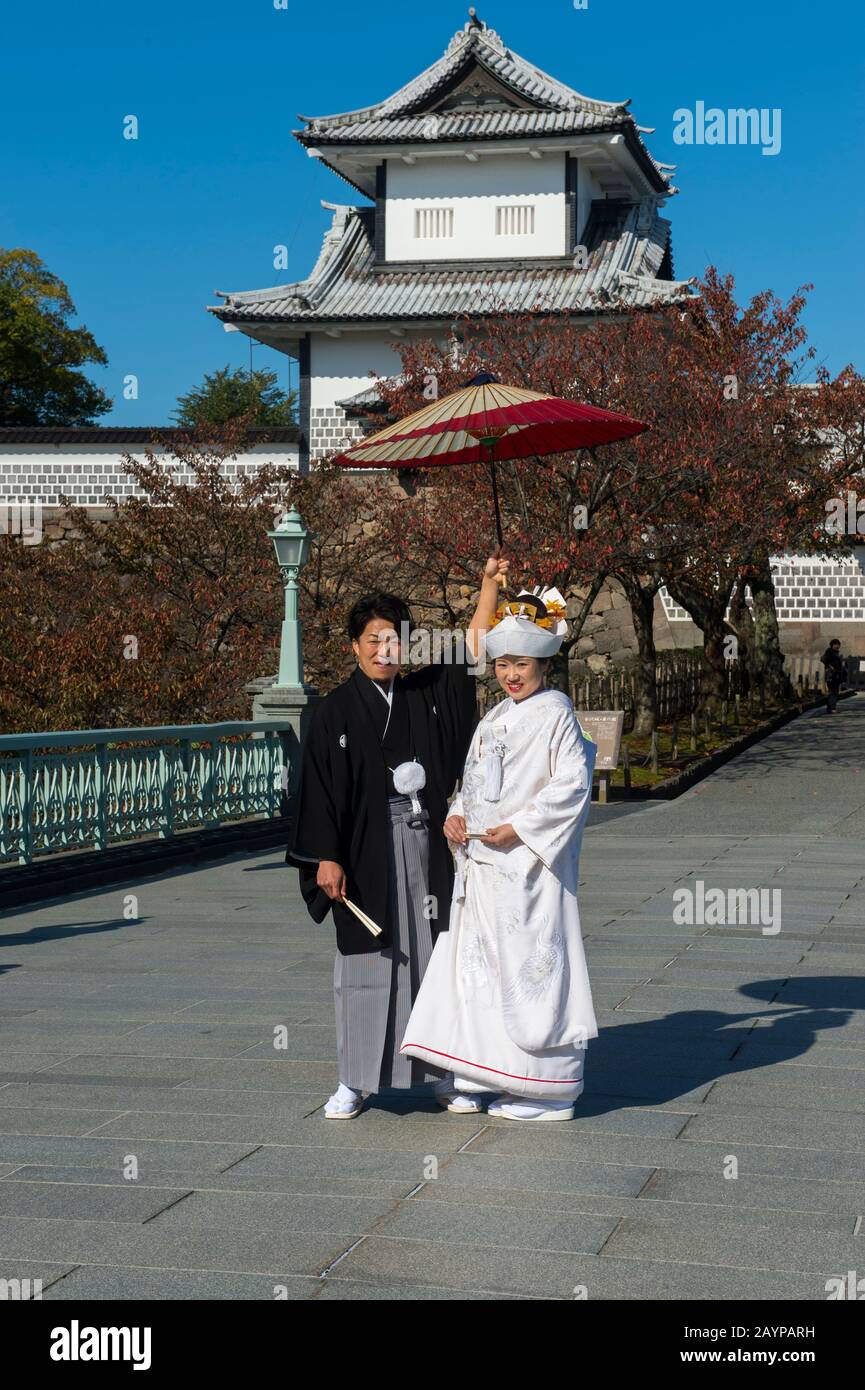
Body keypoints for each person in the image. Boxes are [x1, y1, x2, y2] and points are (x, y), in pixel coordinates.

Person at [288, 554, 508, 1118]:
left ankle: (444, 1074)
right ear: (354, 646)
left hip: (427, 843)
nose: (384, 649)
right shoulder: (335, 711)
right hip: (365, 852)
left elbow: (470, 649)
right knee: (367, 962)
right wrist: (326, 858)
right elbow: (319, 790)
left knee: (435, 955)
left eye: (395, 639)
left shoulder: (423, 694)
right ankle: (354, 1080)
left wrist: (486, 585)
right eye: (372, 639)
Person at [401, 586, 598, 1122]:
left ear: (542, 665)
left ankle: (546, 1087)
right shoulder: (492, 719)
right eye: (503, 664)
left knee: (528, 970)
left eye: (522, 664)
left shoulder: (556, 713)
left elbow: (571, 787)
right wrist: (458, 813)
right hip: (484, 865)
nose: (511, 674)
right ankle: (475, 1073)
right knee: (478, 969)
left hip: (530, 867)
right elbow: (472, 782)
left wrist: (522, 829)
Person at [821, 638, 844, 714]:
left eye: (838, 644)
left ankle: (830, 708)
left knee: (834, 692)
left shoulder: (836, 653)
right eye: (835, 644)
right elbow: (823, 659)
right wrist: (830, 667)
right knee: (833, 692)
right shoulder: (829, 652)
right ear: (832, 645)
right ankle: (832, 709)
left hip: (836, 675)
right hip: (831, 675)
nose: (837, 646)